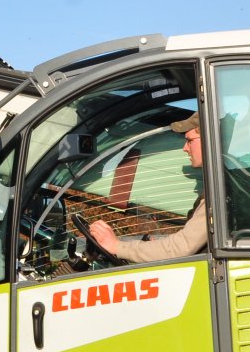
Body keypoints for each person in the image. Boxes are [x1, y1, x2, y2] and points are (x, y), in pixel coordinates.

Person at [88, 112, 208, 263]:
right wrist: (153, 248)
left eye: (190, 141)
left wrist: (116, 246)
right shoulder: (220, 185)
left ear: (208, 140)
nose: (185, 148)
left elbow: (180, 247)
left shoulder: (220, 194)